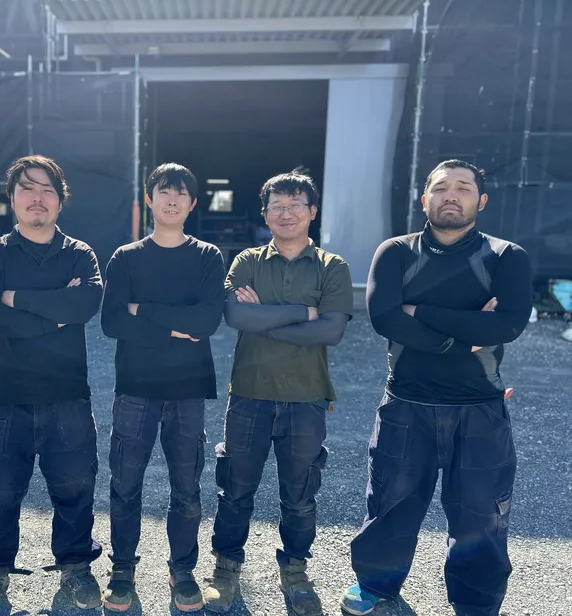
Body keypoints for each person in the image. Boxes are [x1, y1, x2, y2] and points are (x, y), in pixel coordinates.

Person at [340, 160, 533, 616]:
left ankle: (476, 603)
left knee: (481, 514)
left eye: (464, 188)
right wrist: (467, 335)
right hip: (406, 402)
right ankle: (375, 585)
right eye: (442, 187)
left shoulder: (506, 256)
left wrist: (420, 313)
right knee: (390, 504)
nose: (452, 195)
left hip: (479, 407)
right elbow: (385, 318)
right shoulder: (396, 252)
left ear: (481, 201)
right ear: (424, 199)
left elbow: (508, 324)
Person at [203, 171, 353, 616]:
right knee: (235, 489)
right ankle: (226, 569)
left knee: (300, 494)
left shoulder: (332, 266)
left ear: (312, 211)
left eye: (295, 205)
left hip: (307, 398)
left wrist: (267, 319)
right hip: (249, 394)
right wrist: (303, 312)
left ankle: (295, 571)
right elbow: (236, 317)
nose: (286, 214)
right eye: (277, 207)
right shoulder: (247, 261)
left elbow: (331, 331)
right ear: (265, 214)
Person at [0, 155, 104, 616]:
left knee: (75, 488)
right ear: (12, 198)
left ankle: (76, 568)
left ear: (61, 200)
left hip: (67, 396)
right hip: (5, 396)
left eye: (47, 190)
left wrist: (16, 299)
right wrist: (53, 315)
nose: (37, 198)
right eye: (27, 188)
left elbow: (84, 305)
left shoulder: (79, 253)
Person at [100, 163, 226, 612]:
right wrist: (174, 327)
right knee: (125, 484)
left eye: (181, 193)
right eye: (163, 191)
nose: (172, 199)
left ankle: (183, 569)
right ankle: (122, 569)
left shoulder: (208, 256)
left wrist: (143, 310)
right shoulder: (126, 257)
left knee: (186, 487)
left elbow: (206, 321)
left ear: (193, 203)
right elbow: (112, 321)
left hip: (188, 387)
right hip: (135, 386)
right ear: (149, 199)